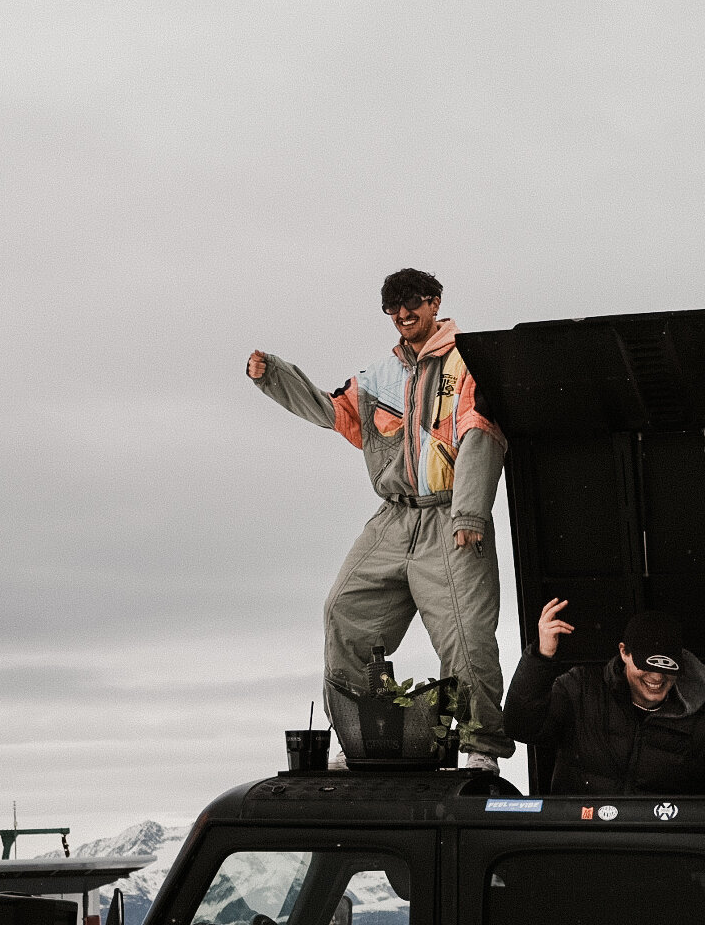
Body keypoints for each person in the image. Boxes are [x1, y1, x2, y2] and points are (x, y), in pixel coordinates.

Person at [247, 268, 511, 769]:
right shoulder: (378, 376)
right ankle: (362, 737)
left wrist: (470, 512)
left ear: (434, 303)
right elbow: (334, 412)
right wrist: (273, 376)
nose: (402, 314)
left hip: (450, 514)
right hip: (393, 518)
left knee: (466, 634)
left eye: (412, 303)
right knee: (343, 609)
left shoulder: (469, 363)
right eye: (393, 307)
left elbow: (481, 433)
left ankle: (481, 749)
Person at [502, 599, 705, 793]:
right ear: (624, 652)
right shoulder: (582, 689)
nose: (657, 677)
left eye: (667, 668)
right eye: (647, 666)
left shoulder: (697, 717)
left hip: (657, 819)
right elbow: (520, 727)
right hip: (580, 818)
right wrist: (542, 655)